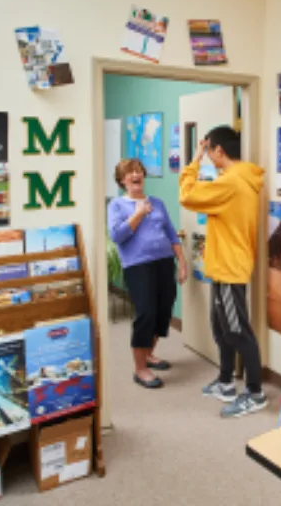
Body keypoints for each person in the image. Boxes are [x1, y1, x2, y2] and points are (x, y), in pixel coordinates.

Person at [179, 125, 268, 418]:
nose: (208, 157)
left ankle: (255, 393)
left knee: (237, 331)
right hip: (223, 266)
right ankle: (226, 382)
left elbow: (187, 194)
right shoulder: (234, 179)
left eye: (210, 151)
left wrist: (194, 159)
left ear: (219, 151)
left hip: (230, 269)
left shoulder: (231, 183)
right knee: (220, 329)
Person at [107, 158, 187, 389]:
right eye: (130, 172)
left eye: (139, 171)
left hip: (164, 263)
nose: (135, 174)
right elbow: (117, 236)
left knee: (163, 311)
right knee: (146, 314)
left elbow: (172, 235)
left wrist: (181, 263)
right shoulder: (117, 205)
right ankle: (140, 369)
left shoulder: (158, 203)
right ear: (122, 180)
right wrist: (139, 213)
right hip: (137, 265)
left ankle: (149, 354)